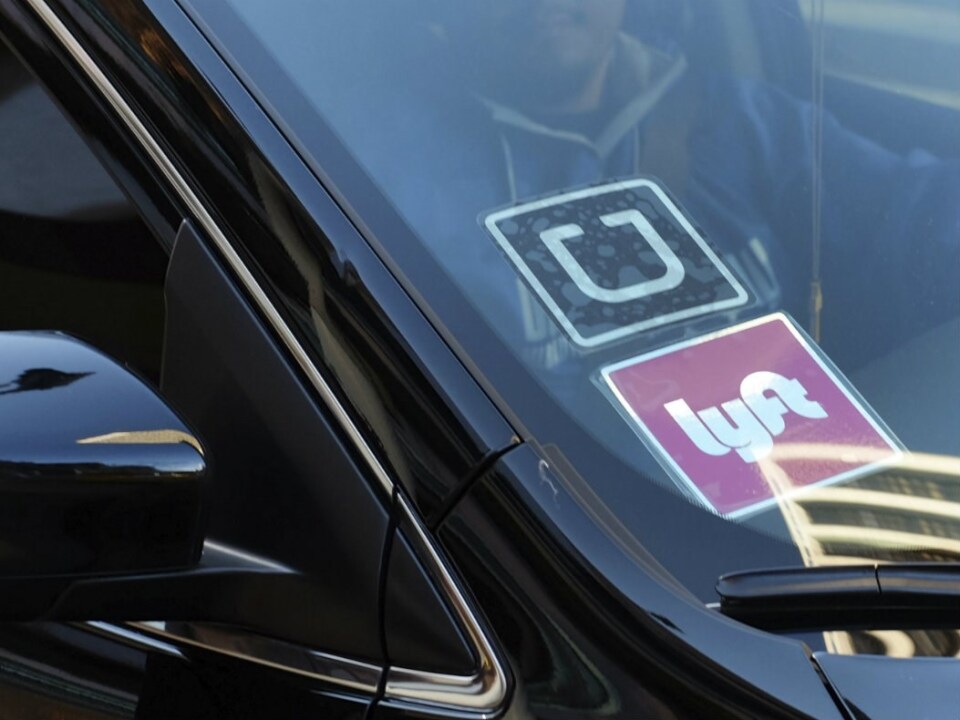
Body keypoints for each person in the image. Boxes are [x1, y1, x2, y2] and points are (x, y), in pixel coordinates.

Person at [339, 0, 959, 375]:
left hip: (796, 530)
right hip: (576, 554)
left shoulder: (745, 124)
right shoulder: (381, 184)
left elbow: (927, 219)